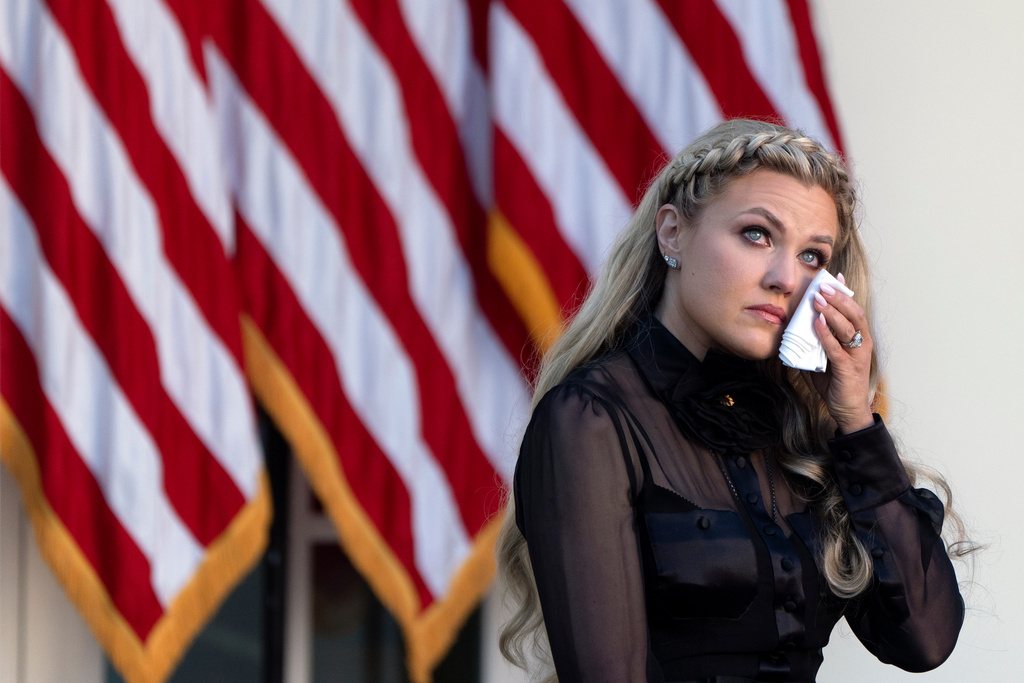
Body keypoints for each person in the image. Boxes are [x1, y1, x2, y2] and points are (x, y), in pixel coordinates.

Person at [496, 119, 970, 682]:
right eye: (756, 234)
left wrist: (853, 420)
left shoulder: (804, 431)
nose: (784, 278)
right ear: (671, 232)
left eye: (812, 257)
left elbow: (925, 639)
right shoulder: (593, 418)